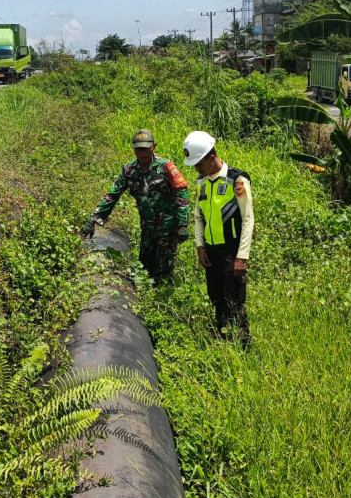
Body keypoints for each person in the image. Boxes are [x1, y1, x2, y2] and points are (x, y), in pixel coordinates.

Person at [80, 129, 190, 281]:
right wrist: (94, 218)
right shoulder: (129, 170)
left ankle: (163, 297)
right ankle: (146, 298)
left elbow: (182, 193)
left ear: (154, 146)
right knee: (144, 268)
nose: (142, 153)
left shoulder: (166, 167)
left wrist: (183, 223)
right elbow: (113, 195)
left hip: (167, 228)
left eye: (145, 149)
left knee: (164, 271)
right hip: (147, 228)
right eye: (138, 149)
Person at [183, 131, 253, 349]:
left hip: (231, 250)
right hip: (211, 251)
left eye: (199, 164)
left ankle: (243, 343)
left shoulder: (236, 180)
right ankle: (222, 338)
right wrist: (200, 246)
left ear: (210, 157)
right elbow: (197, 216)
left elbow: (248, 219)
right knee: (216, 297)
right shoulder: (202, 182)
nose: (196, 168)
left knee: (234, 299)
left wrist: (241, 257)